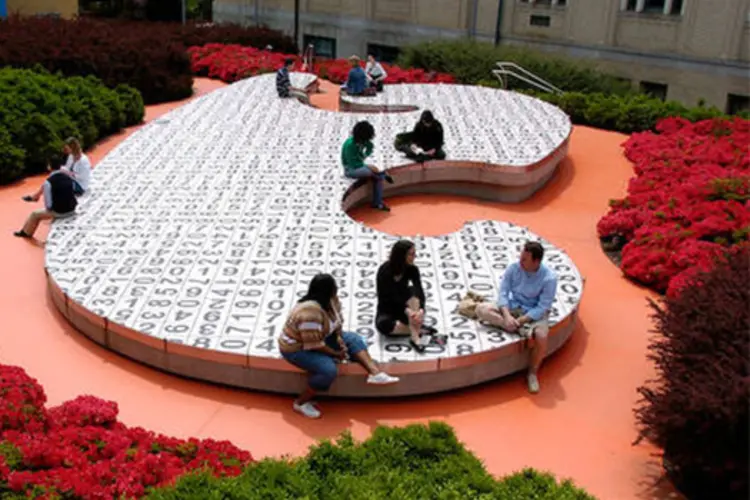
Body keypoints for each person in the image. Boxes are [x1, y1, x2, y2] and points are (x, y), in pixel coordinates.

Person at [279, 274, 399, 418]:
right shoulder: (309, 313)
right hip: (297, 348)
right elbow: (314, 345)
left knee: (353, 339)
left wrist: (339, 339)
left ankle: (375, 373)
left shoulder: (331, 302)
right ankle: (300, 402)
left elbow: (337, 324)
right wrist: (335, 353)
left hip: (322, 336)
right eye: (334, 288)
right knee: (328, 370)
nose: (336, 290)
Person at [475, 241, 558, 394]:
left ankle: (532, 373)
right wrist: (506, 316)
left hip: (532, 313)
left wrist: (521, 320)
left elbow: (543, 306)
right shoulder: (514, 268)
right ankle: (512, 327)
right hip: (513, 307)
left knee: (541, 336)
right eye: (521, 257)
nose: (520, 261)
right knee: (481, 309)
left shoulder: (549, 278)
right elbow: (503, 293)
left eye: (525, 259)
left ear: (536, 262)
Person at [376, 240, 436, 353]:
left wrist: (421, 310)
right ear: (401, 255)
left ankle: (415, 335)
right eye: (411, 254)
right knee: (384, 325)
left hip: (410, 307)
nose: (414, 257)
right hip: (390, 309)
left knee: (414, 293)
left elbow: (419, 291)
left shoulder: (413, 270)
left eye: (414, 253)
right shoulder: (385, 271)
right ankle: (419, 329)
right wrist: (406, 310)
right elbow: (386, 300)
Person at [14, 160, 77, 239]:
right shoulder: (68, 177)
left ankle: (26, 233)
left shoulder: (48, 182)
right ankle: (24, 230)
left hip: (61, 212)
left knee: (34, 214)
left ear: (49, 167)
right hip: (72, 208)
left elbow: (49, 205)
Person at [341, 120, 393, 212]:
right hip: (350, 170)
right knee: (372, 172)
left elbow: (370, 146)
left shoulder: (363, 141)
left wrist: (365, 155)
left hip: (359, 166)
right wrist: (369, 166)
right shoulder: (350, 145)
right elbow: (354, 164)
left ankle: (378, 203)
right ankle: (383, 175)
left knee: (377, 177)